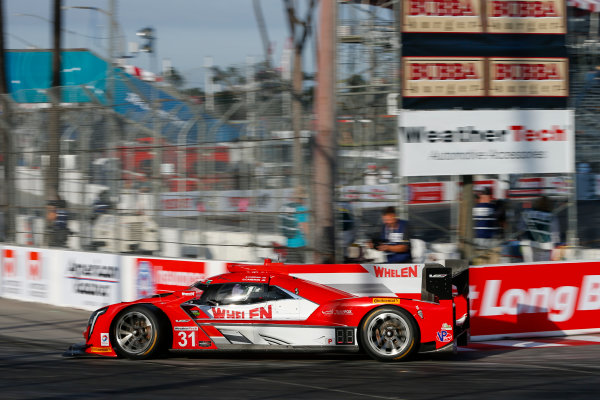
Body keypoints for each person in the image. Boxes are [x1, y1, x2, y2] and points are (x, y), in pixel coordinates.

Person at [519, 196, 560, 262]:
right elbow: (555, 233)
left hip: (529, 244)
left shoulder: (527, 213)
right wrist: (556, 246)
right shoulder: (551, 216)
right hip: (545, 246)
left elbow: (521, 228)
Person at [279, 188, 309, 263]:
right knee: (300, 270)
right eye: (305, 199)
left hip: (288, 243)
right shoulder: (301, 209)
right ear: (302, 199)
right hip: (300, 244)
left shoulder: (286, 207)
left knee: (291, 267)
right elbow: (306, 229)